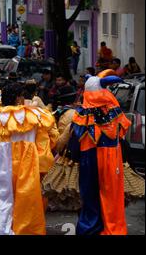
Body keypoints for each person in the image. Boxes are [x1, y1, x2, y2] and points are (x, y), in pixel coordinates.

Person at [0, 82, 58, 235]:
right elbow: (46, 140)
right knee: (27, 198)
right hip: (27, 160)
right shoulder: (35, 115)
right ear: (18, 98)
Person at [69, 69, 131, 235]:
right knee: (111, 194)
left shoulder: (81, 114)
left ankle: (89, 228)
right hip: (110, 157)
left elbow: (74, 139)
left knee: (89, 195)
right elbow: (122, 136)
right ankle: (110, 225)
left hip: (88, 158)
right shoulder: (115, 112)